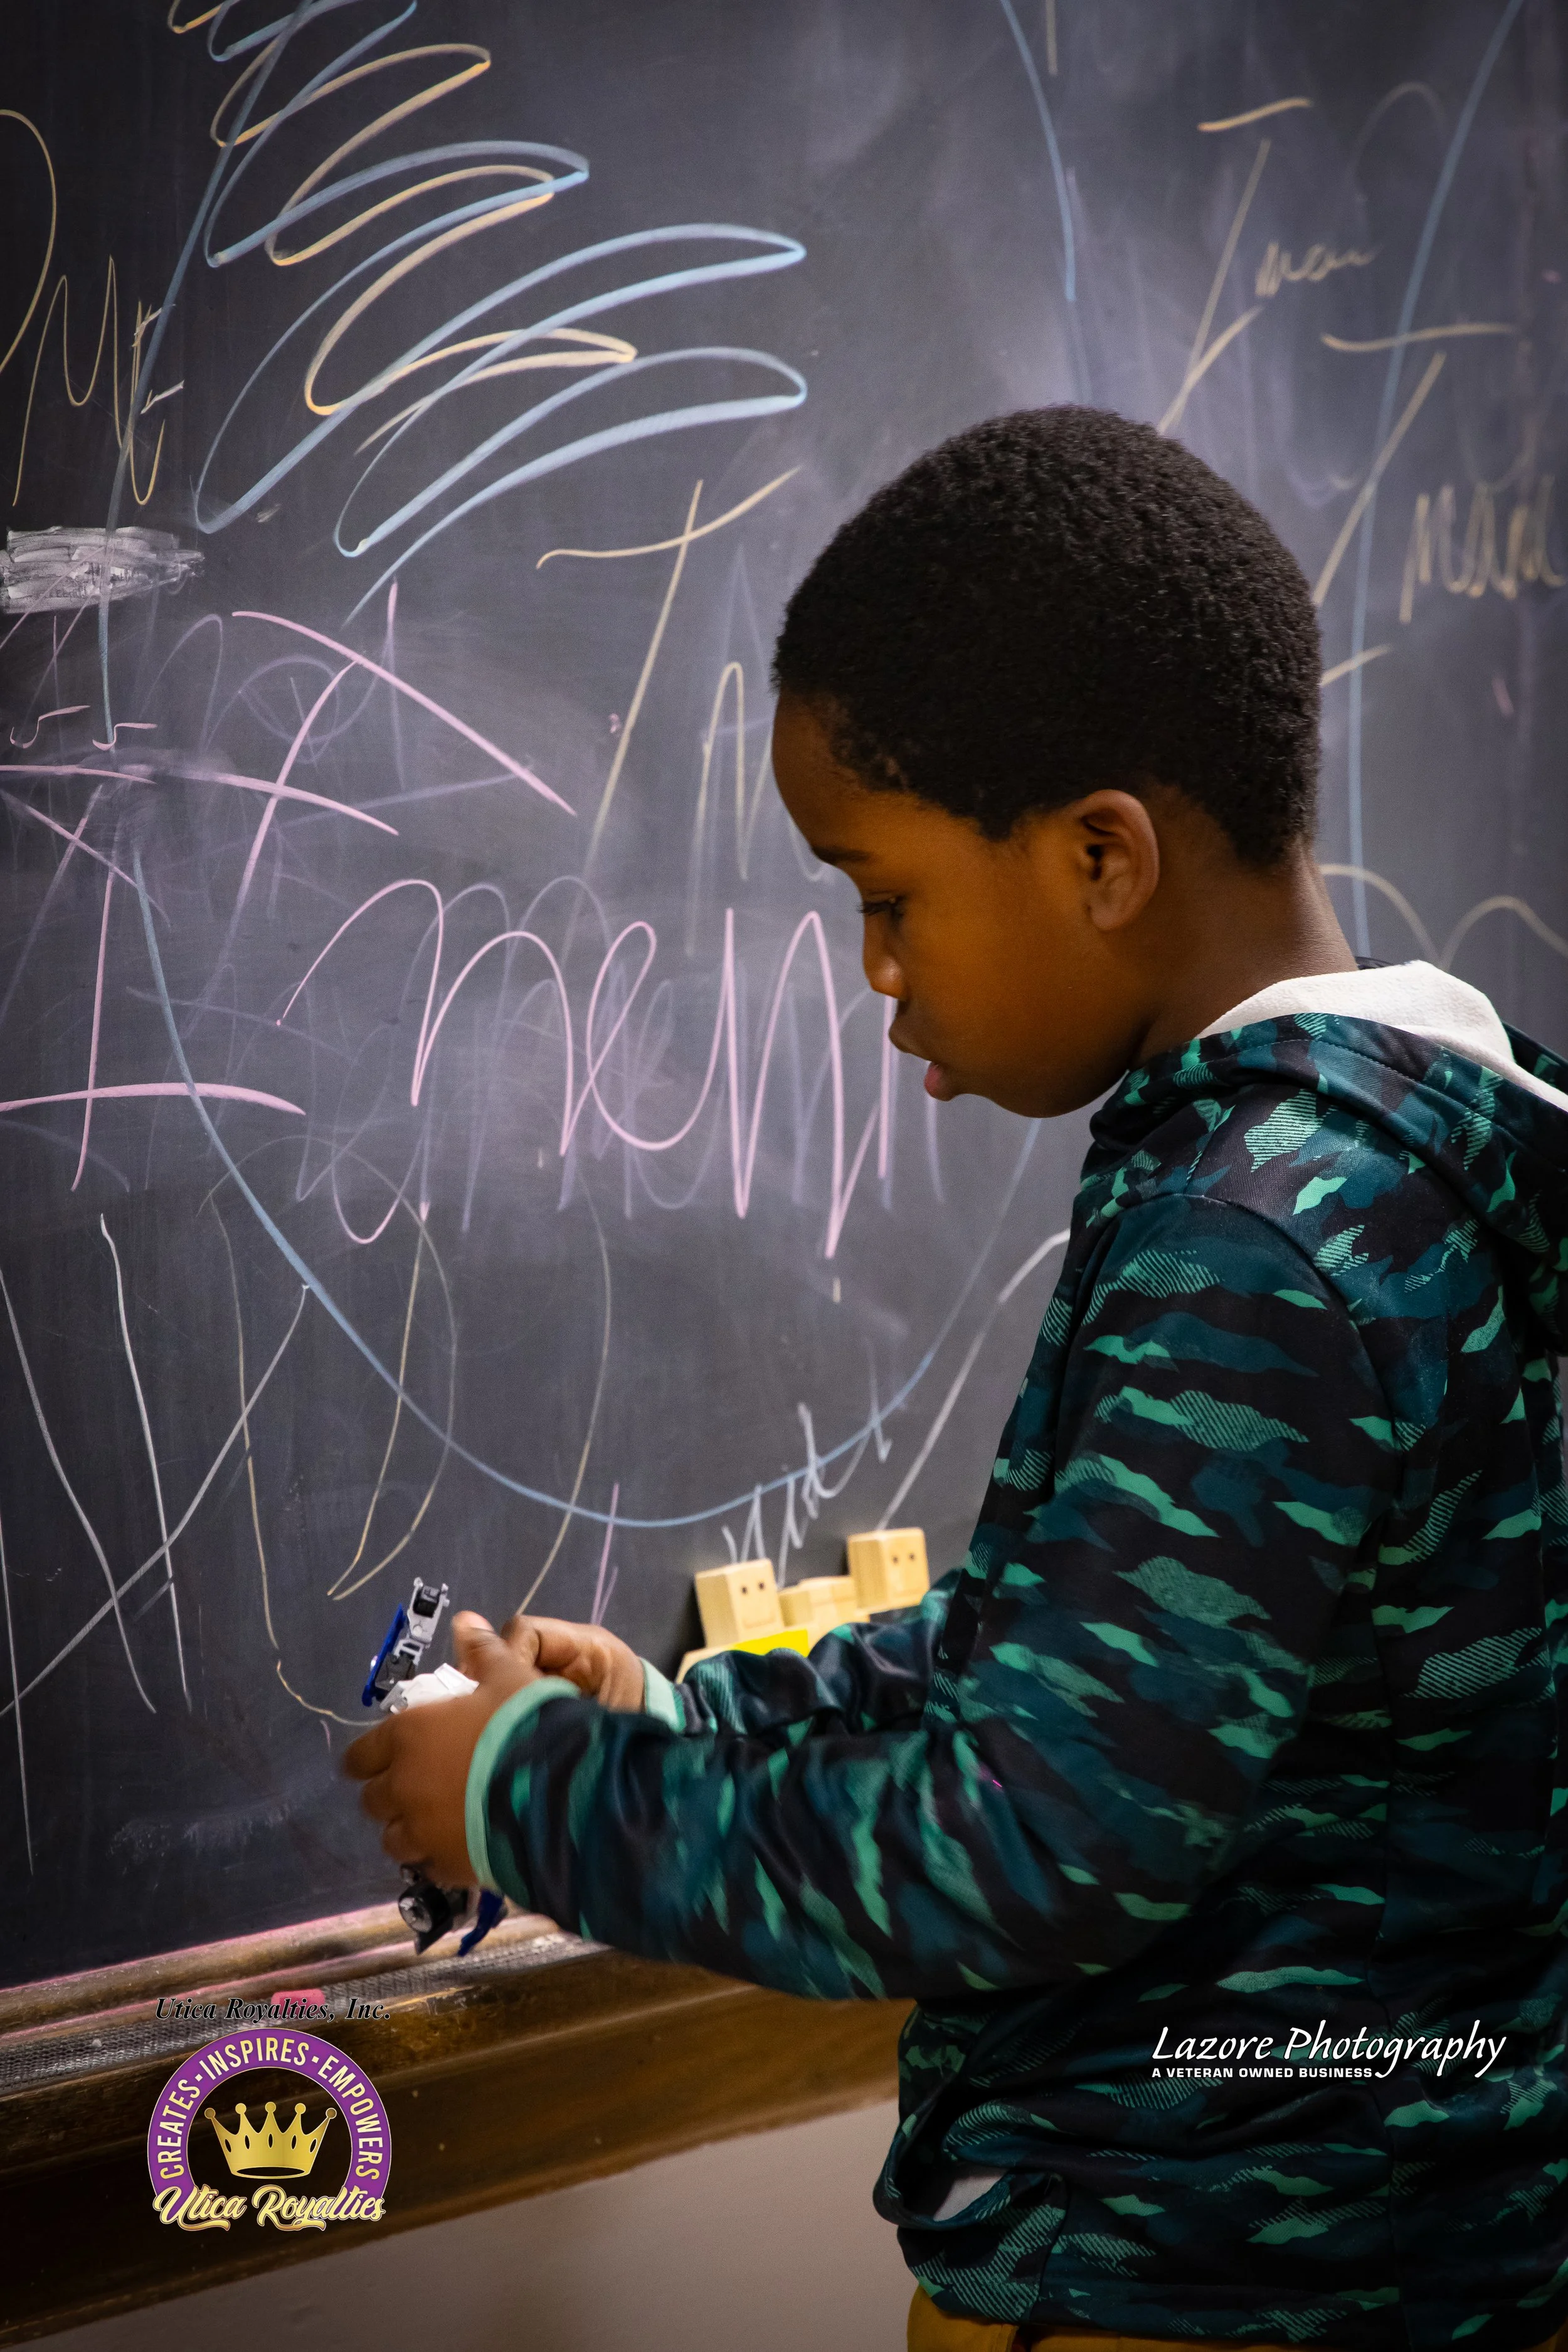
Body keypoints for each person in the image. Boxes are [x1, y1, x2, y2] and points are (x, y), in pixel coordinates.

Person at [345, 409, 1568, 2352]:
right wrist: (689, 1715)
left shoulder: (1253, 1232)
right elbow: (1067, 1661)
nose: (871, 966)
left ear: (1100, 855)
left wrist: (532, 1796)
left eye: (886, 892)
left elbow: (1028, 1836)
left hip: (1214, 2289)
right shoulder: (1385, 1162)